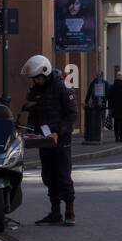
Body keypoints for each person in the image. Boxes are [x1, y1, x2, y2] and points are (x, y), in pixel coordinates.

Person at [21, 54, 77, 226]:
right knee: (48, 176)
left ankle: (69, 211)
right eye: (33, 79)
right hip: (44, 138)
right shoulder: (35, 91)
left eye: (37, 78)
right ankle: (55, 212)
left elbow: (71, 114)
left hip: (61, 139)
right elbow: (33, 114)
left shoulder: (62, 87)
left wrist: (58, 132)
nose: (35, 81)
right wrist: (30, 130)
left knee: (63, 174)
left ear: (45, 73)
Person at [106, 73, 122, 143]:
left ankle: (116, 137)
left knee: (116, 122)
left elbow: (109, 96)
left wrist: (110, 106)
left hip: (115, 106)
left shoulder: (112, 86)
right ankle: (121, 137)